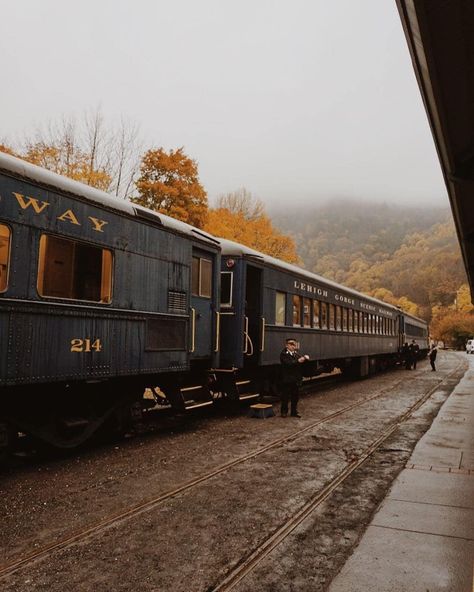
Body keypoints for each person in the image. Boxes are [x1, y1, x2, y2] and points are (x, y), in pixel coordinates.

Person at [279, 338, 309, 418]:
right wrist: (298, 361)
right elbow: (288, 364)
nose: (293, 346)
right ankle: (284, 412)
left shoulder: (296, 354)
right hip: (287, 379)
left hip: (295, 379)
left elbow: (301, 365)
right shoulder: (283, 354)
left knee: (295, 397)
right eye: (291, 344)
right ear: (287, 345)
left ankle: (294, 412)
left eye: (294, 345)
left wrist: (305, 359)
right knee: (285, 396)